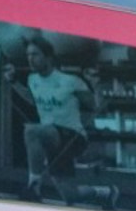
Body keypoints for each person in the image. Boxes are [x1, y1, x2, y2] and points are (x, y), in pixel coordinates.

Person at [18, 39, 92, 202]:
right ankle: (107, 193)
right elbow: (32, 100)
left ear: (48, 57)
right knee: (70, 195)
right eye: (28, 55)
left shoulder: (70, 81)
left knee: (31, 130)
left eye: (35, 54)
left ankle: (34, 186)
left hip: (74, 137)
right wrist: (12, 83)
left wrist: (95, 84)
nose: (30, 59)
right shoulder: (32, 79)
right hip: (51, 137)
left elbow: (94, 105)